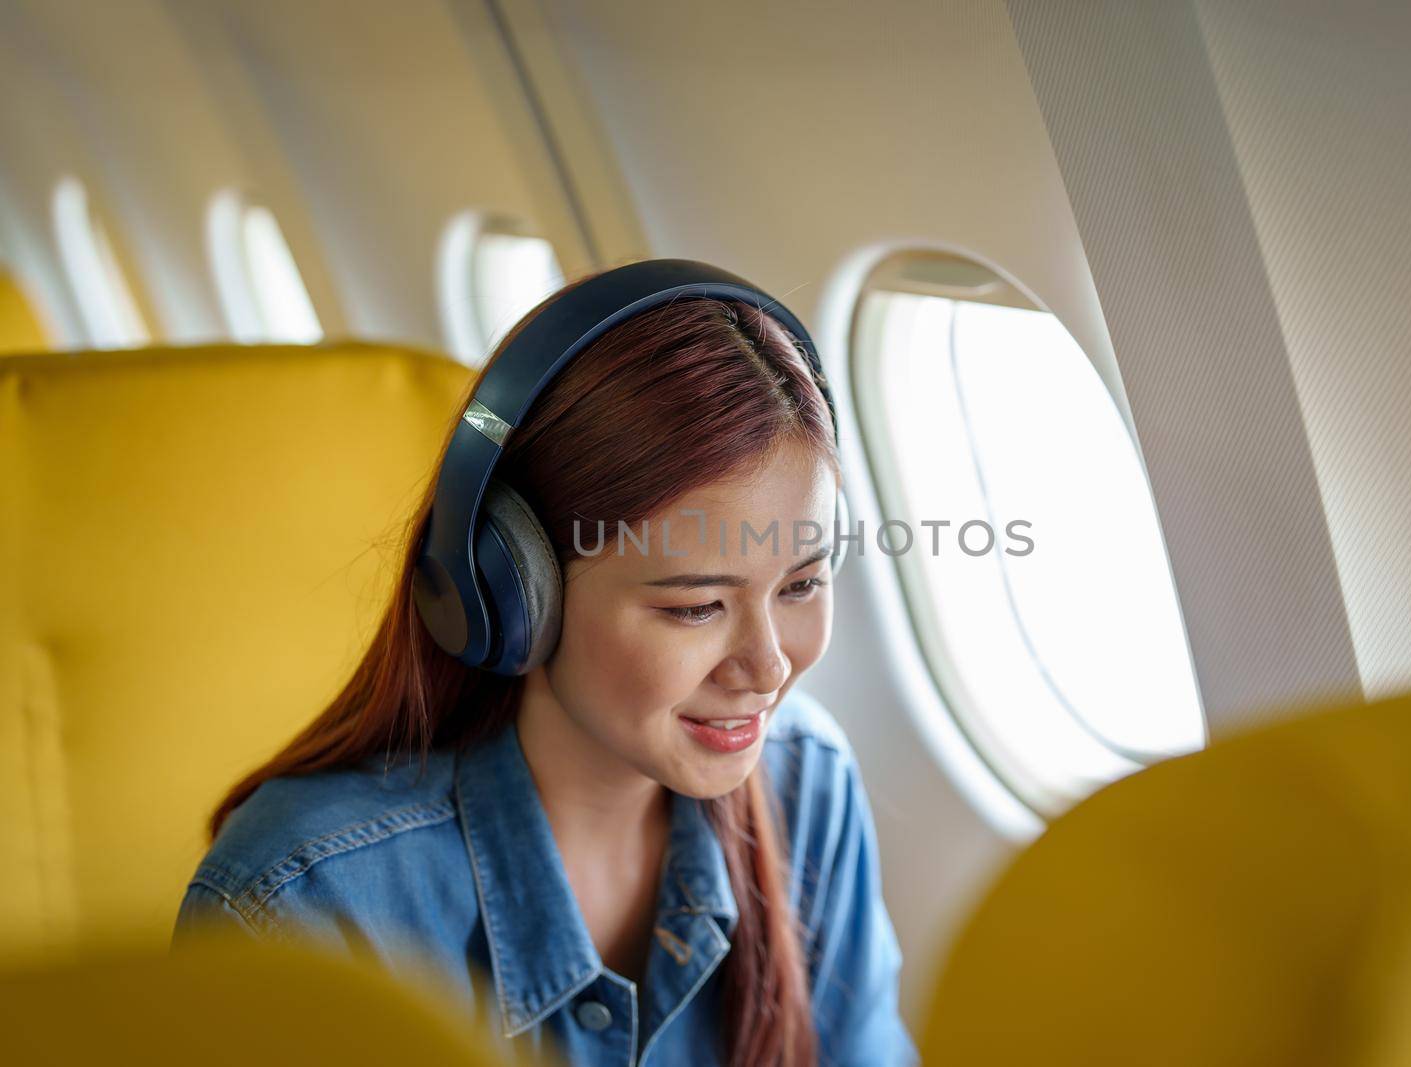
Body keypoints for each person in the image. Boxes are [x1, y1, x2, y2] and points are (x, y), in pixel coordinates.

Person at [171, 266, 920, 1067]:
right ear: (511, 592)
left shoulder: (808, 786)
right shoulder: (305, 908)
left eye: (803, 584)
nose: (768, 666)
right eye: (696, 606)